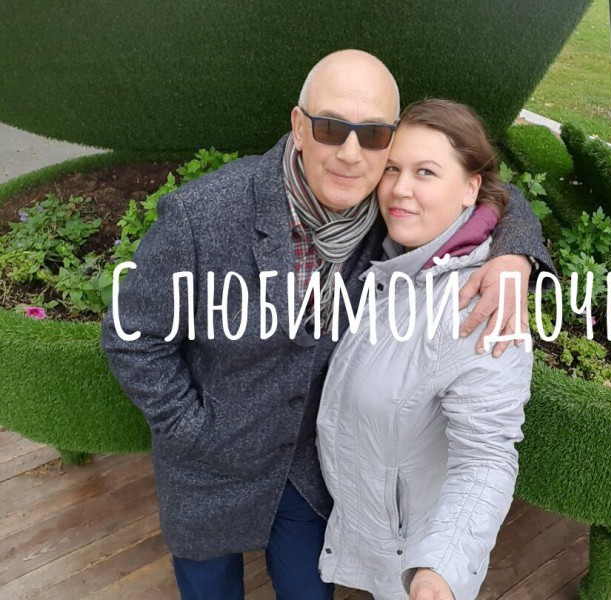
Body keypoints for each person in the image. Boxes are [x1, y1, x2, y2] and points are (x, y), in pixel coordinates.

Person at [101, 49, 551, 600]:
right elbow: (132, 335)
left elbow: (490, 191)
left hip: (306, 474)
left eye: (374, 135)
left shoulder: (385, 214)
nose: (351, 153)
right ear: (299, 127)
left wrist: (515, 255)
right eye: (331, 128)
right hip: (209, 467)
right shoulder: (204, 215)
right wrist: (192, 428)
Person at [316, 99, 537, 600]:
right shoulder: (399, 255)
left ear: (470, 189)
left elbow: (486, 458)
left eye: (426, 172)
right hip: (366, 530)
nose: (400, 188)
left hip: (413, 561)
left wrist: (441, 568)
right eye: (392, 168)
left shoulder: (480, 307)